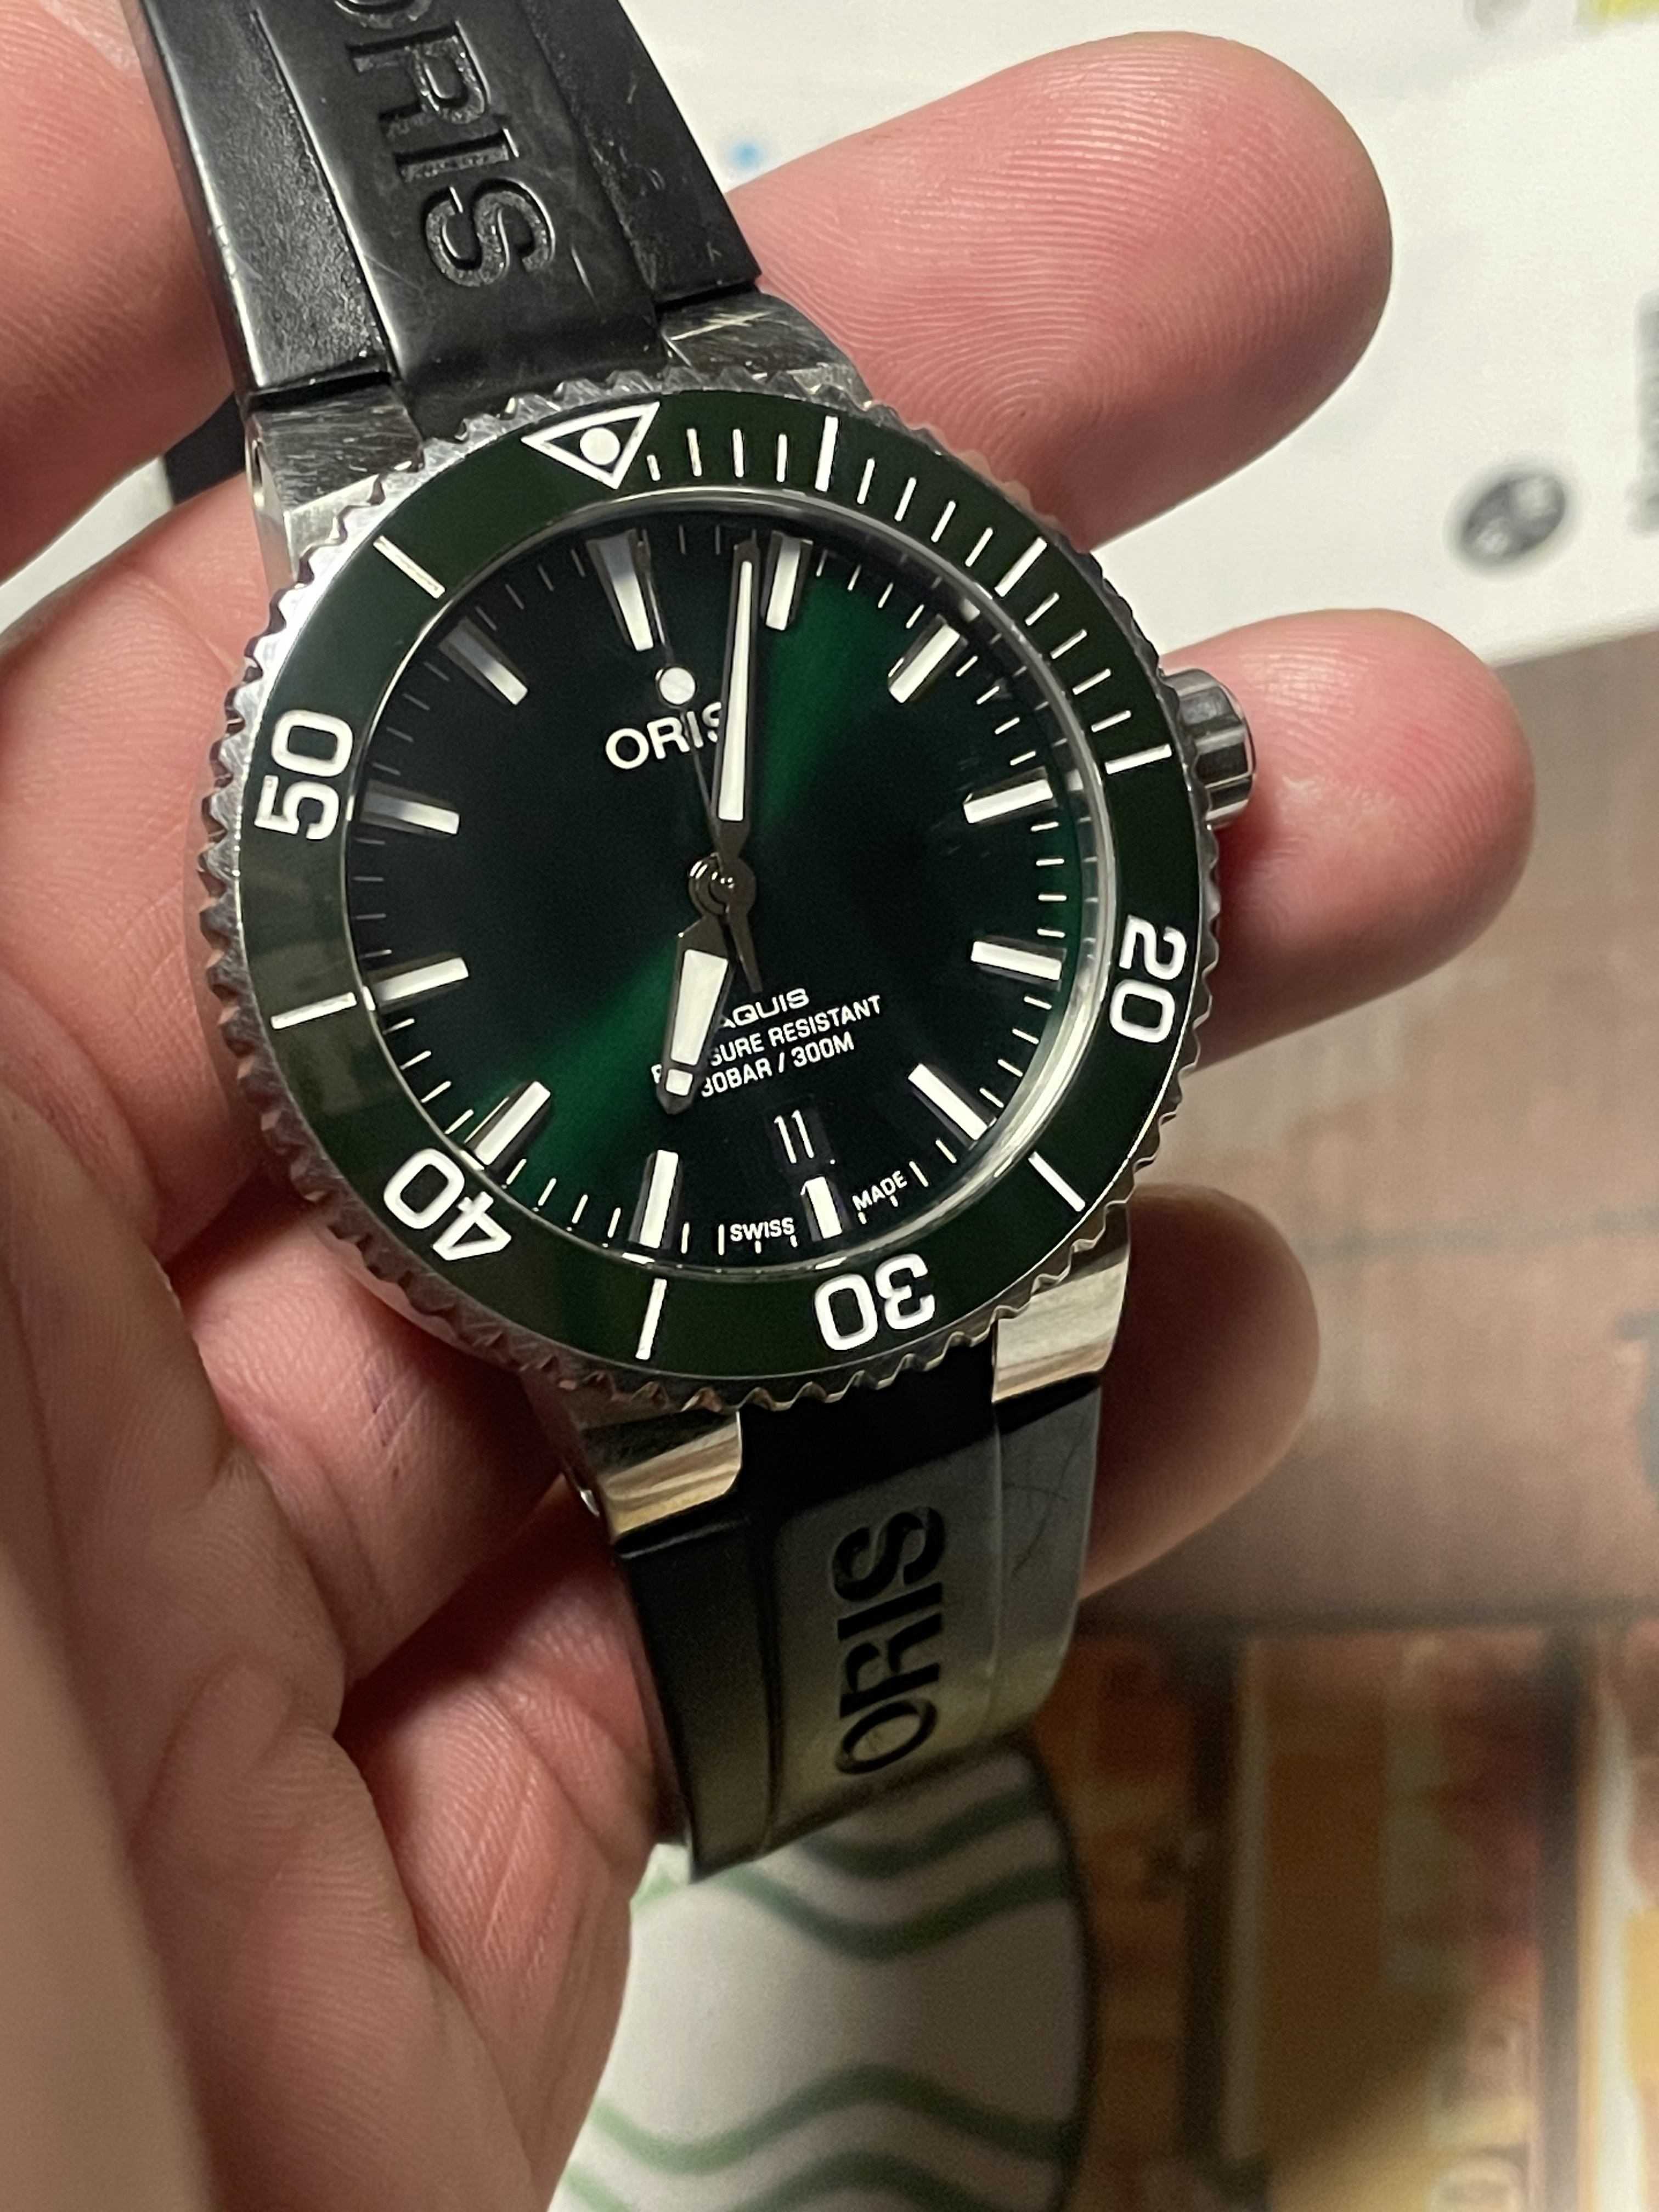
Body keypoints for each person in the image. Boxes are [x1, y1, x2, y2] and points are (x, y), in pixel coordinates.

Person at [0, 3, 1534, 2207]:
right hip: (701, 1254)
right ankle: (850, 1729)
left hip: (875, 1188)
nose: (719, 888)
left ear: (1168, 762)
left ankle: (861, 1727)